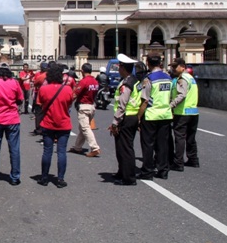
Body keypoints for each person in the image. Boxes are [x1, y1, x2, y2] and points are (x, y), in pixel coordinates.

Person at [36, 63, 74, 188]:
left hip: (48, 123)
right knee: (61, 152)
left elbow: (40, 104)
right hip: (63, 123)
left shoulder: (43, 89)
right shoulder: (68, 89)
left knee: (47, 151)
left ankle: (44, 177)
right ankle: (60, 179)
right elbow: (69, 104)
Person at [136, 53, 173, 181]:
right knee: (162, 144)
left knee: (148, 145)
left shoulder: (149, 79)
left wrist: (139, 117)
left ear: (148, 63)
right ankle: (163, 170)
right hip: (166, 114)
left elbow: (145, 100)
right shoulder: (168, 77)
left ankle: (147, 171)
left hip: (151, 115)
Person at [108, 54, 143, 186]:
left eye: (119, 66)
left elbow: (122, 104)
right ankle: (122, 172)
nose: (118, 69)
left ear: (123, 68)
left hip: (126, 117)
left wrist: (115, 122)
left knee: (125, 148)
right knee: (122, 147)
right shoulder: (135, 81)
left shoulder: (127, 83)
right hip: (132, 116)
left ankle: (128, 178)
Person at [168, 57, 200, 170]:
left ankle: (178, 163)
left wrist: (170, 106)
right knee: (191, 138)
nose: (173, 69)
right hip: (193, 112)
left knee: (179, 138)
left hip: (182, 113)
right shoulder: (191, 78)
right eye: (172, 67)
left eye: (175, 67)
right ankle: (193, 159)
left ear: (182, 67)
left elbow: (181, 95)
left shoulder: (182, 79)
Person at [69, 63, 101, 157]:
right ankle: (77, 147)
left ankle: (95, 148)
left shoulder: (84, 81)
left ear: (82, 71)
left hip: (84, 107)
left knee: (85, 128)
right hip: (91, 106)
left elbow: (75, 94)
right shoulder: (95, 81)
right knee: (82, 128)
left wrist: (67, 103)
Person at [31, 62, 48, 135]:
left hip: (41, 94)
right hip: (42, 93)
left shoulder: (42, 75)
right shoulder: (39, 74)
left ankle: (40, 128)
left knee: (39, 112)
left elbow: (35, 83)